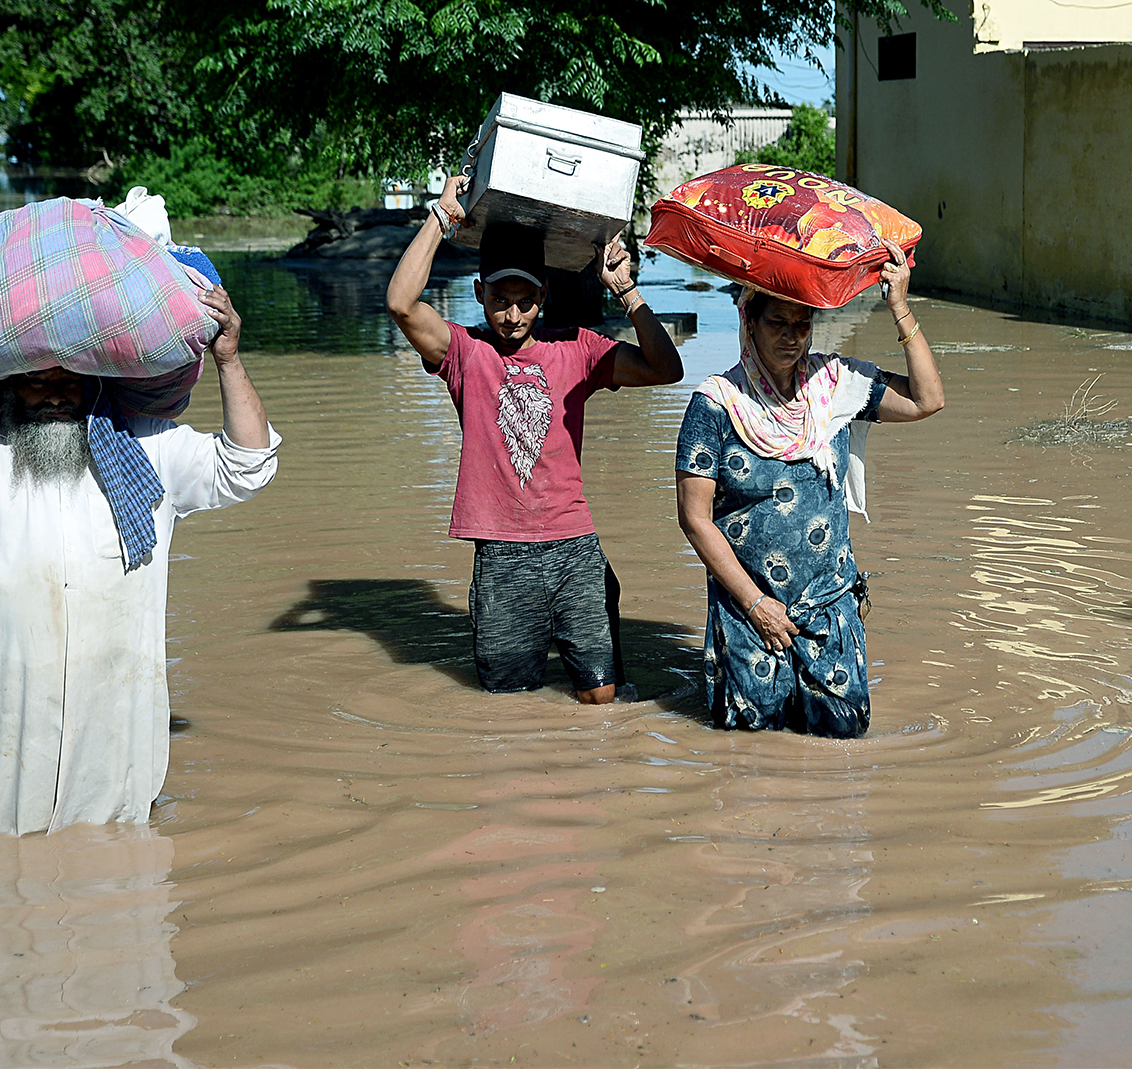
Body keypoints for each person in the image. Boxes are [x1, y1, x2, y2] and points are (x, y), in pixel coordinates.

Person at [0, 274, 280, 835]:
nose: (51, 393)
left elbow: (249, 466)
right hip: (8, 708)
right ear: (3, 389)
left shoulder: (145, 448)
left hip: (118, 702)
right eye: (33, 380)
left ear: (92, 386)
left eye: (67, 381)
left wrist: (229, 360)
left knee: (123, 854)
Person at [386, 174, 683, 703]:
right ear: (480, 295)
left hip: (574, 547)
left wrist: (627, 291)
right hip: (501, 553)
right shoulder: (464, 353)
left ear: (543, 298)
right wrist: (442, 217)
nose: (513, 315)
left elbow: (666, 369)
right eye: (500, 299)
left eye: (525, 301)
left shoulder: (578, 350)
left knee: (600, 698)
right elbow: (402, 305)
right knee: (510, 703)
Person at [674, 242, 944, 736]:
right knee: (750, 752)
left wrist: (899, 307)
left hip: (831, 608)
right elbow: (695, 519)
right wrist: (758, 606)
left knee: (843, 741)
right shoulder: (715, 405)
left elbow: (928, 400)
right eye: (777, 323)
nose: (791, 338)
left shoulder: (836, 386)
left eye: (802, 325)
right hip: (751, 615)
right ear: (748, 321)